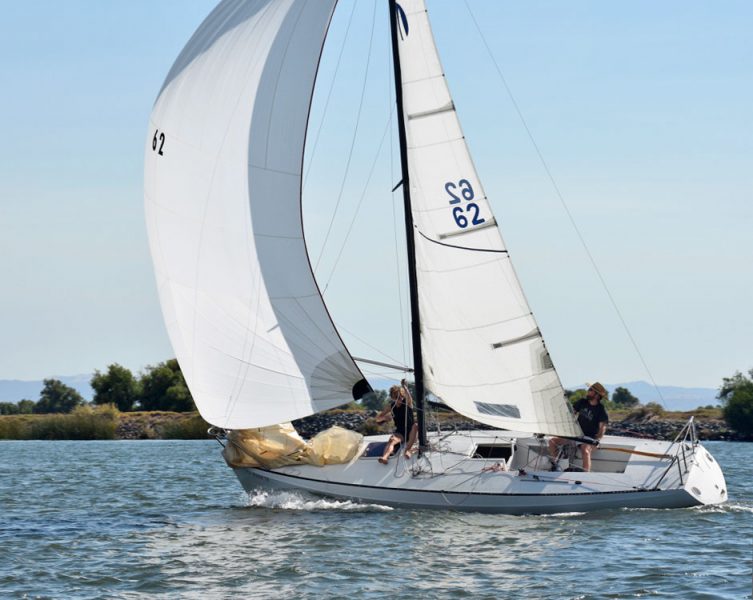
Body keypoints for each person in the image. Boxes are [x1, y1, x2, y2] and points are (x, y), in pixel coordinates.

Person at [548, 382, 609, 472]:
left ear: (597, 395)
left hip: (589, 438)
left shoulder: (601, 409)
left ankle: (585, 473)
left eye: (590, 390)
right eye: (589, 389)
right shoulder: (582, 402)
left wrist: (597, 440)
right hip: (576, 434)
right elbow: (571, 415)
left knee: (585, 449)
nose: (588, 391)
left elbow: (602, 428)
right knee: (552, 441)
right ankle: (556, 465)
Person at [375, 379, 419, 464]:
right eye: (397, 397)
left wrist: (405, 387)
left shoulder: (407, 403)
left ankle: (408, 450)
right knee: (392, 440)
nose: (400, 399)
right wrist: (384, 418)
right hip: (400, 433)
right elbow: (378, 419)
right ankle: (385, 457)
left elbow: (409, 397)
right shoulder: (391, 406)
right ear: (393, 398)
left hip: (411, 432)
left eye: (401, 397)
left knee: (416, 425)